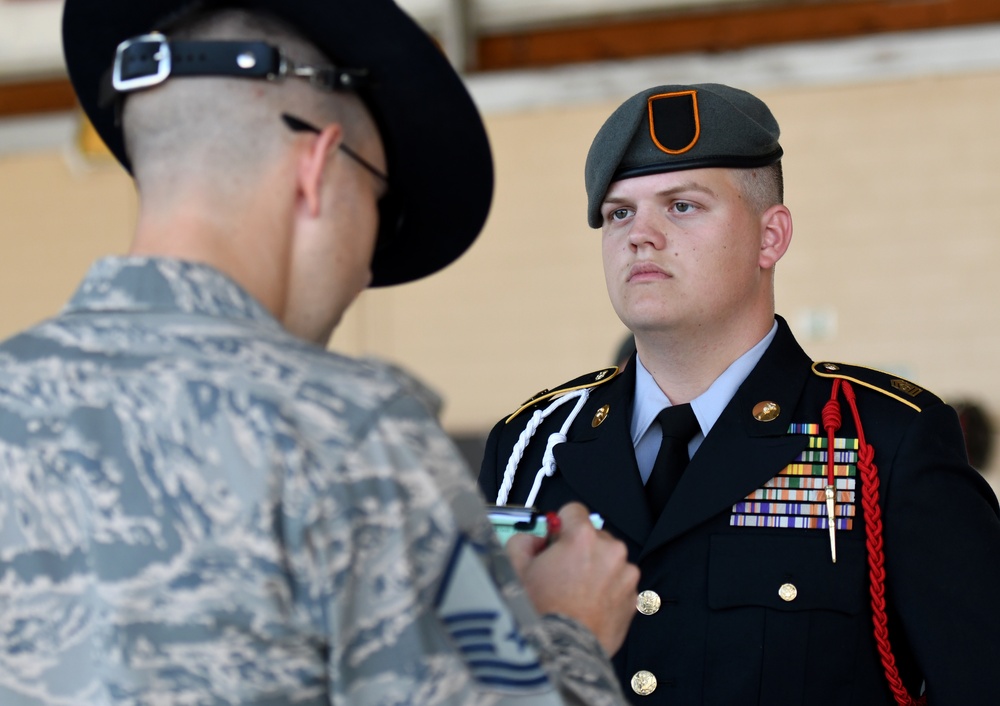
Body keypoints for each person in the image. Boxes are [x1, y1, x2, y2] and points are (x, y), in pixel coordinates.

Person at [0, 1, 640, 704]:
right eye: (381, 210)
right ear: (318, 167)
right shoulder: (349, 431)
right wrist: (567, 629)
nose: (367, 270)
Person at [479, 83, 1000, 705]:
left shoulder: (881, 441)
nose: (640, 235)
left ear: (770, 237)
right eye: (619, 212)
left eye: (682, 206)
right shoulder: (533, 446)